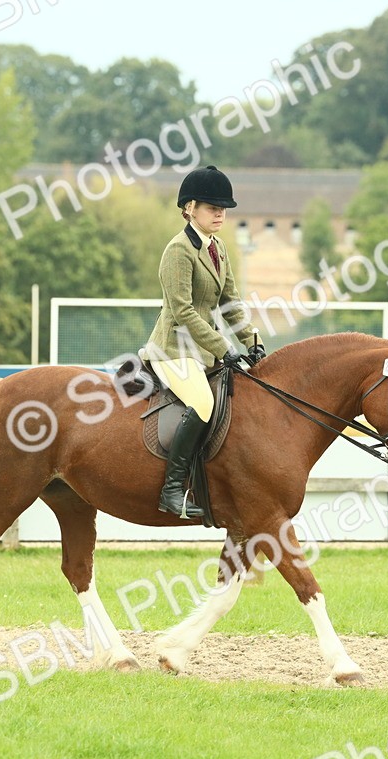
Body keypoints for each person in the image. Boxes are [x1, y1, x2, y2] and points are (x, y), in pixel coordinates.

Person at [143, 165, 263, 519]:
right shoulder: (178, 251)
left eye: (223, 208)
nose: (220, 213)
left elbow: (230, 302)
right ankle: (172, 490)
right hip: (174, 349)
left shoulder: (219, 248)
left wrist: (253, 341)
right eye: (213, 207)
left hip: (203, 351)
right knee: (204, 404)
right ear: (190, 207)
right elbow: (182, 312)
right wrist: (224, 349)